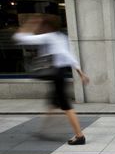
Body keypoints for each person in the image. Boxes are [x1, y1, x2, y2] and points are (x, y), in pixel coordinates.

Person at [13, 15, 90, 145]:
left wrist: (30, 24)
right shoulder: (62, 37)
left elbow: (20, 38)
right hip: (60, 74)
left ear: (47, 26)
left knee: (66, 106)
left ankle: (79, 136)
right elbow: (71, 56)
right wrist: (81, 73)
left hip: (56, 74)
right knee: (52, 102)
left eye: (42, 25)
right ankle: (44, 130)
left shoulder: (49, 37)